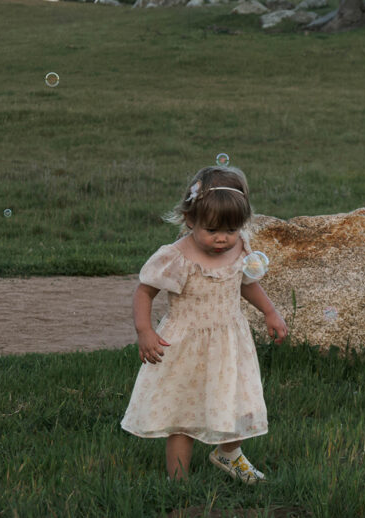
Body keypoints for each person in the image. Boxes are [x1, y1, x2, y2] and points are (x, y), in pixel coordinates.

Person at [121, 166, 288, 484]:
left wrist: (270, 312)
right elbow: (145, 292)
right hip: (186, 345)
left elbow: (247, 283)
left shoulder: (240, 248)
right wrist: (145, 331)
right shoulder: (176, 257)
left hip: (229, 341)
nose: (222, 238)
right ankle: (178, 481)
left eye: (232, 229)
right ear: (190, 219)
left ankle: (229, 453)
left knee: (237, 401)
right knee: (184, 413)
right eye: (212, 230)